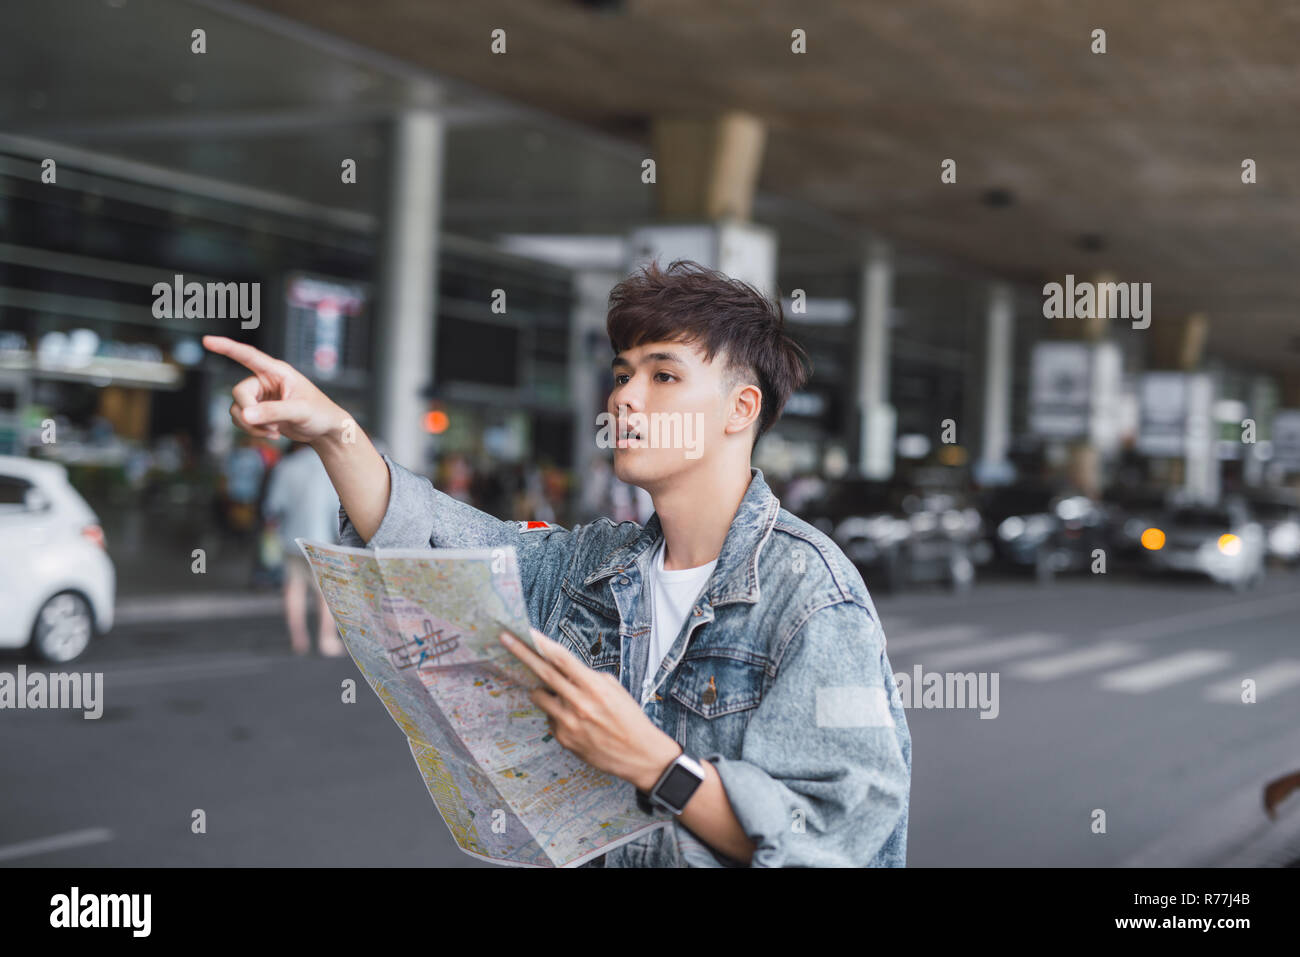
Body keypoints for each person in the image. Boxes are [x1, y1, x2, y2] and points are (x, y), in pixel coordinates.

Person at [202, 258, 910, 868]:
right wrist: (334, 429)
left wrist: (658, 766)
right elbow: (436, 541)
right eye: (624, 372)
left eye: (664, 375)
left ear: (740, 408)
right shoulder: (590, 564)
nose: (626, 396)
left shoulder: (813, 597)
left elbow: (836, 837)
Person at [262, 441, 345, 657]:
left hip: (291, 538)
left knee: (293, 589)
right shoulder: (328, 466)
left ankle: (298, 639)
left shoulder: (285, 466)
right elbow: (335, 506)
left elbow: (273, 505)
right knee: (325, 593)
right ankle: (326, 639)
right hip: (322, 541)